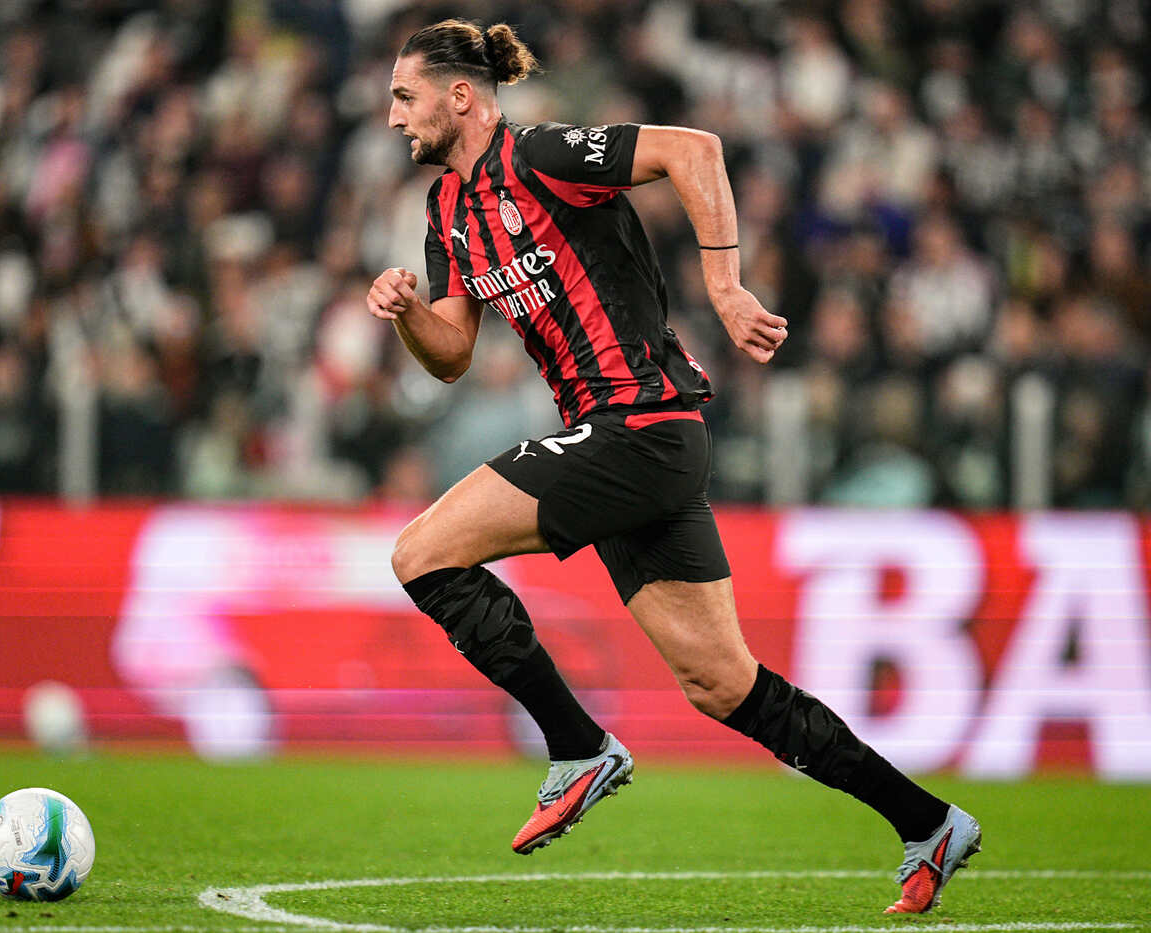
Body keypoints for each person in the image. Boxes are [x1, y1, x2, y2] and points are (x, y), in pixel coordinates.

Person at [366, 19, 980, 916]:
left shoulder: (539, 153)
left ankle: (577, 745)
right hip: (626, 445)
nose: (392, 118)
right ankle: (928, 822)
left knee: (421, 553)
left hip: (639, 425)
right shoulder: (446, 213)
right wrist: (407, 312)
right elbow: (454, 351)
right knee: (721, 684)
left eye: (404, 97)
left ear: (461, 96)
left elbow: (695, 151)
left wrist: (727, 288)